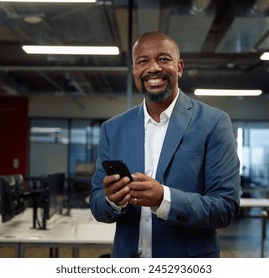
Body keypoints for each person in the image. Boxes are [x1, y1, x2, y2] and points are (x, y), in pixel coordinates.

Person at [89, 31, 240, 258]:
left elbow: (225, 207)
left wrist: (164, 199)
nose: (153, 68)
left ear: (179, 67)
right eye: (143, 61)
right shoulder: (113, 129)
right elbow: (97, 202)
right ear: (134, 71)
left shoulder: (214, 123)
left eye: (163, 59)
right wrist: (112, 200)